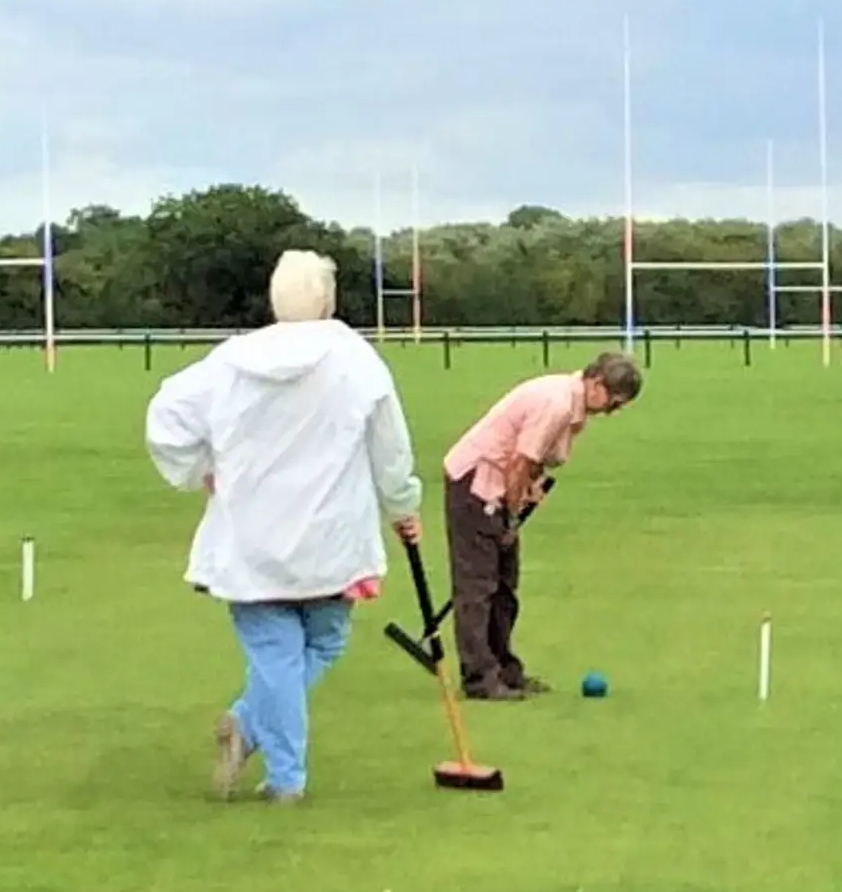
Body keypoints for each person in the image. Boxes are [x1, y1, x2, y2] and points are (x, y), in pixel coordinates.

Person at [144, 249, 423, 805]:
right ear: (327, 300)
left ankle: (250, 726)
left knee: (284, 653)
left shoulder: (230, 362)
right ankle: (284, 776)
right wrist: (402, 504)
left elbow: (166, 417)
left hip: (253, 541)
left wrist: (201, 470)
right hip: (332, 541)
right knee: (317, 644)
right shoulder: (356, 360)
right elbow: (390, 447)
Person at [439, 351, 642, 701]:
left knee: (504, 586)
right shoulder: (557, 404)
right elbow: (520, 462)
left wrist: (528, 489)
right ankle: (479, 678)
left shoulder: (572, 406)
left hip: (499, 485)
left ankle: (504, 669)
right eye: (613, 401)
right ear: (596, 384)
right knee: (478, 586)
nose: (613, 410)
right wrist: (512, 515)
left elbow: (529, 464)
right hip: (475, 484)